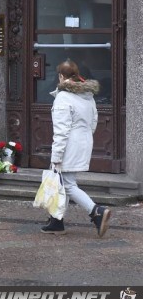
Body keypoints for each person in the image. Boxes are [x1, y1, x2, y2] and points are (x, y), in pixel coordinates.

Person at [42, 59, 111, 237]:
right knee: (63, 183)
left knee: (68, 183)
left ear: (61, 76)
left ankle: (96, 211)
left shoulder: (63, 98)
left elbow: (61, 130)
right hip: (83, 142)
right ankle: (56, 221)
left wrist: (56, 155)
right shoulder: (87, 95)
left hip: (68, 145)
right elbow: (93, 122)